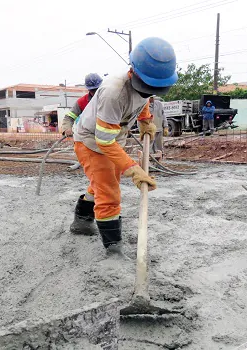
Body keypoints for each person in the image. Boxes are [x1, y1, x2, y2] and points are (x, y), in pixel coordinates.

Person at [69, 37, 178, 256]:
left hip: (113, 141)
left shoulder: (144, 89)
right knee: (109, 193)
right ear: (133, 72)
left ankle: (81, 222)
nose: (149, 91)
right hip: (91, 142)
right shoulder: (114, 92)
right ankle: (114, 249)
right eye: (147, 86)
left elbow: (142, 100)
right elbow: (104, 141)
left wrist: (146, 121)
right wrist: (132, 168)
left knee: (103, 184)